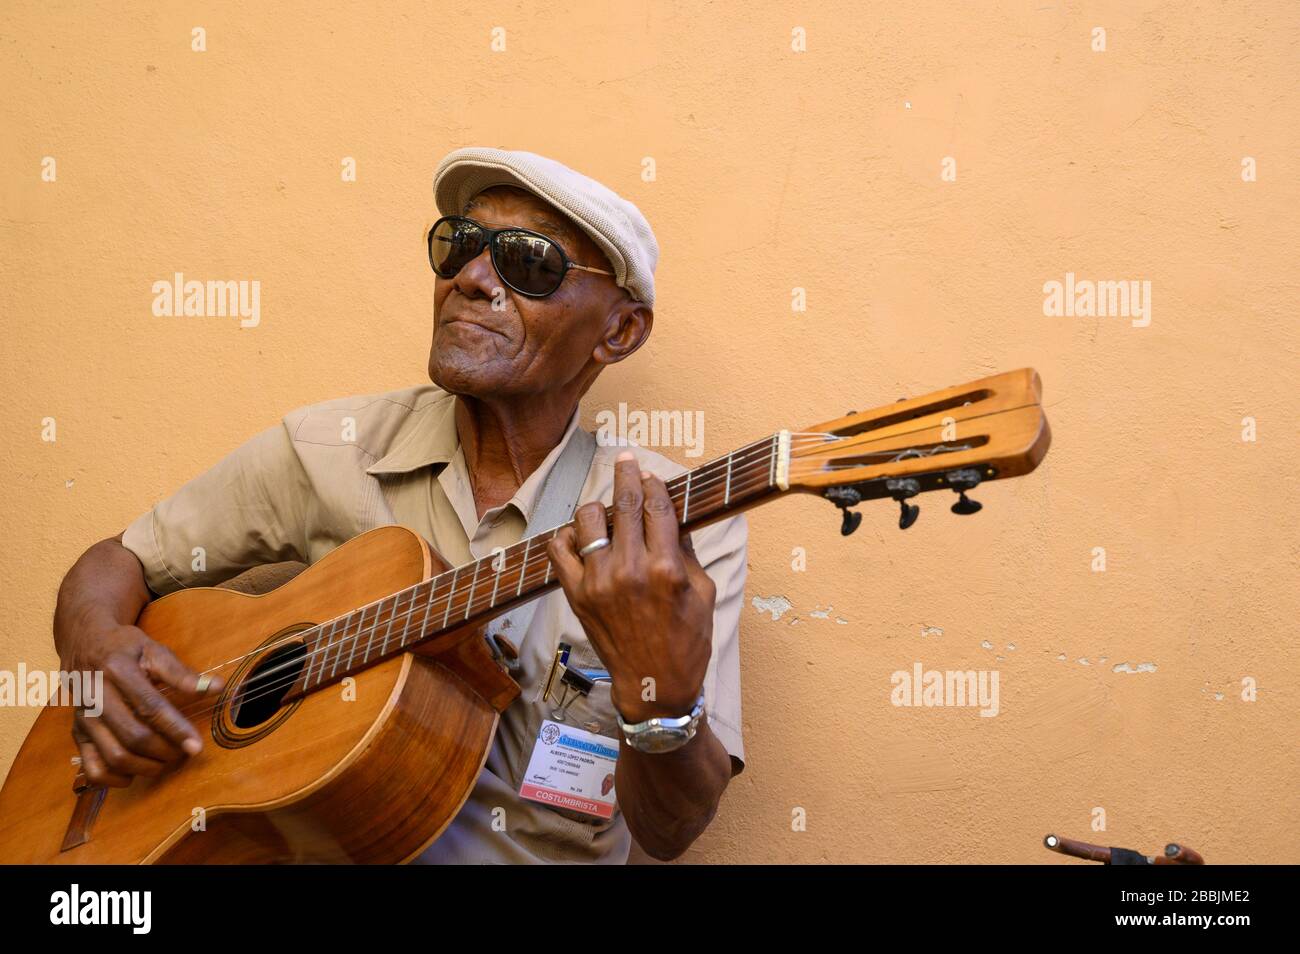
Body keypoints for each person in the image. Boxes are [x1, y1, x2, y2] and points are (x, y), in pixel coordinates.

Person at [51, 147, 748, 864]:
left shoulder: (679, 528)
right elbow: (118, 560)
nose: (472, 279)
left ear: (619, 331)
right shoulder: (329, 448)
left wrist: (657, 695)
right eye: (461, 246)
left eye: (529, 262)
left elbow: (671, 831)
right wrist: (94, 648)